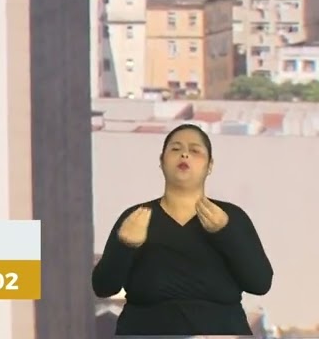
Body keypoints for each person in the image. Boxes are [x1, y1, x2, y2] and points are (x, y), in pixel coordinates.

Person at [92, 123, 273, 337]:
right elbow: (103, 287)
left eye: (195, 150)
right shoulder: (136, 217)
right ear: (162, 161)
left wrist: (226, 233)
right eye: (175, 149)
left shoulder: (232, 217)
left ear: (210, 165)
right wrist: (125, 245)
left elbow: (260, 283)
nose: (184, 154)